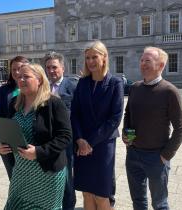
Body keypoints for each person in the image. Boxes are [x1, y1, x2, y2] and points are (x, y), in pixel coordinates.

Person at [0, 63, 72, 210]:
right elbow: (7, 129)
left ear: (39, 80)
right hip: (21, 170)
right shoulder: (14, 103)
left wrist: (38, 152)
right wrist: (1, 146)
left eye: (26, 76)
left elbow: (65, 136)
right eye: (19, 77)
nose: (21, 80)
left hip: (47, 172)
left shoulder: (53, 103)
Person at [123, 46, 182, 210]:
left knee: (159, 204)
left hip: (156, 157)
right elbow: (128, 115)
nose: (143, 64)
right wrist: (127, 137)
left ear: (161, 65)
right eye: (142, 60)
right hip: (134, 154)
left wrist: (166, 155)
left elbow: (180, 127)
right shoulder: (135, 88)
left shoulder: (169, 91)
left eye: (148, 61)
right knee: (138, 201)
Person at [71, 40, 124, 210]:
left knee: (101, 194)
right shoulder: (82, 83)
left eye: (95, 57)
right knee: (86, 192)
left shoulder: (115, 83)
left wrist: (90, 142)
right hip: (81, 143)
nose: (91, 61)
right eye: (87, 58)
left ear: (104, 58)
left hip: (102, 144)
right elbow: (75, 114)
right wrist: (79, 139)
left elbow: (115, 118)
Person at [44, 51, 77, 210]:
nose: (51, 71)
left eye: (55, 67)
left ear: (62, 68)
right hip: (47, 140)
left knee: (66, 177)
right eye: (48, 67)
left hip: (66, 141)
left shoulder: (72, 86)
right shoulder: (43, 87)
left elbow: (79, 114)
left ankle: (68, 206)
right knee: (50, 175)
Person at [0, 56, 29, 180]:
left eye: (19, 68)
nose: (16, 72)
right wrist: (0, 146)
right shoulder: (5, 90)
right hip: (9, 142)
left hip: (29, 141)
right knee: (14, 179)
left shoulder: (33, 88)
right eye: (13, 69)